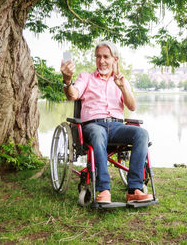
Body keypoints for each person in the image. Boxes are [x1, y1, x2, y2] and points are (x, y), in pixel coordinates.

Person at [60, 41, 153, 204]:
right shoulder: (86, 77)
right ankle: (103, 189)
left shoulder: (121, 80)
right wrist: (67, 81)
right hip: (94, 125)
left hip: (117, 126)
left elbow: (132, 106)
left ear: (114, 60)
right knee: (97, 133)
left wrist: (123, 87)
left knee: (142, 133)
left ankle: (134, 189)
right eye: (98, 57)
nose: (101, 61)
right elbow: (73, 95)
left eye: (105, 57)